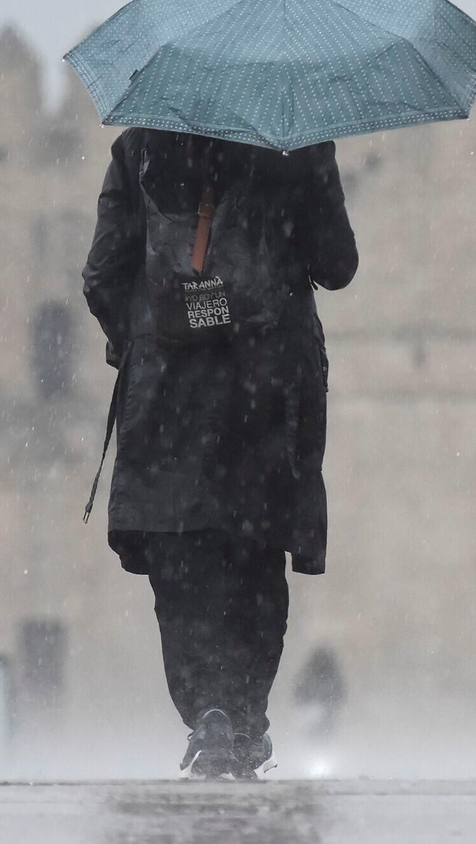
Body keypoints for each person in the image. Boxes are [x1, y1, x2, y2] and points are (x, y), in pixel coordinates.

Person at [82, 128, 357, 778]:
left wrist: (152, 330)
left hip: (169, 392)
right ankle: (244, 712)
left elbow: (101, 275)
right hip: (267, 385)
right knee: (256, 555)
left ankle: (210, 710)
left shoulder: (140, 146)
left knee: (181, 558)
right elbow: (336, 264)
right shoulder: (296, 142)